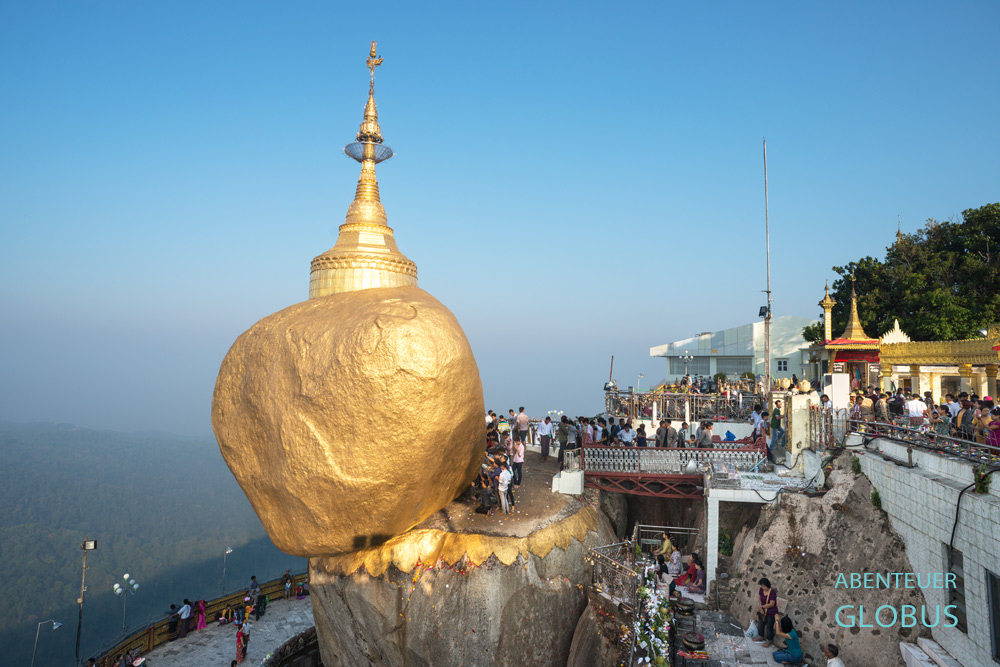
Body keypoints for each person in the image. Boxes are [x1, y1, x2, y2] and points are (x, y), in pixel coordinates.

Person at [752, 577, 778, 647]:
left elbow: (772, 604)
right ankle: (760, 637)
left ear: (767, 585)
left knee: (769, 627)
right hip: (763, 611)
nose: (763, 587)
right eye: (762, 586)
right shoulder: (761, 589)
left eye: (764, 586)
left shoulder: (772, 592)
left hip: (771, 612)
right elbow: (759, 597)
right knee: (760, 624)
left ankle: (769, 641)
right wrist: (760, 606)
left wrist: (762, 607)